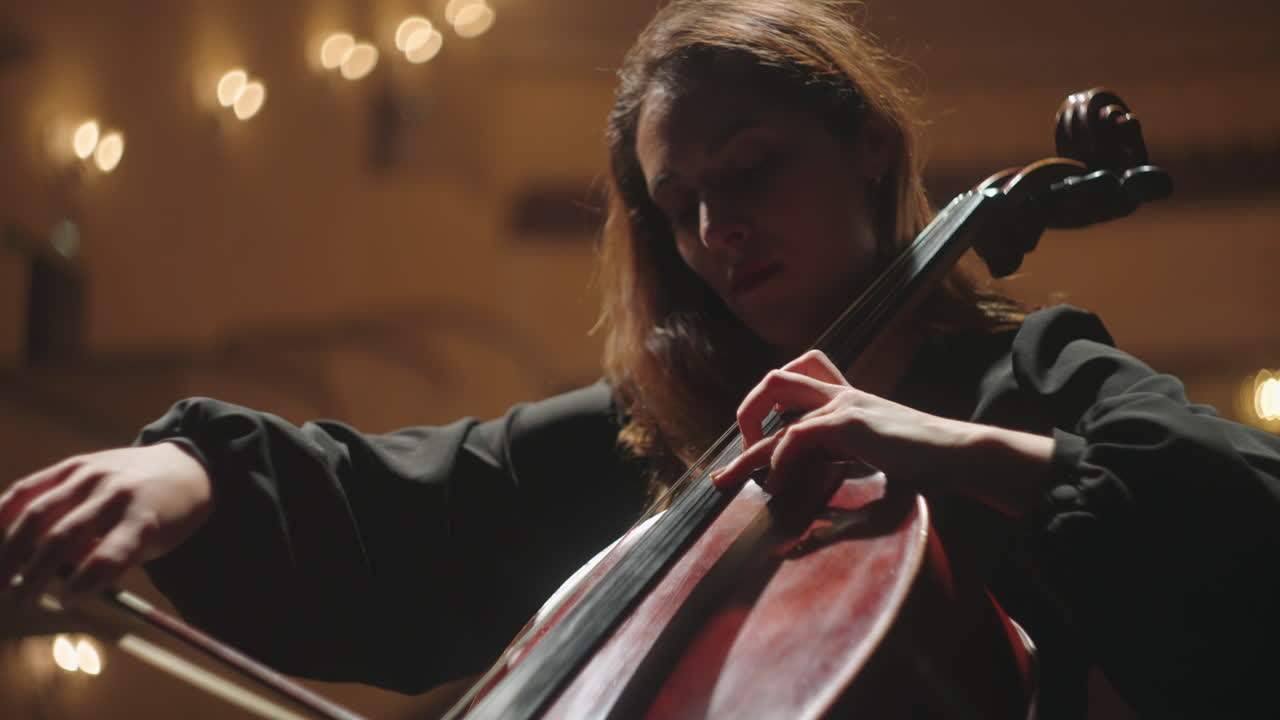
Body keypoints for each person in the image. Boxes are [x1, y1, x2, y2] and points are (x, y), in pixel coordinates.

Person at [3, 0, 1279, 717]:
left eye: (750, 170)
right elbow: (417, 501)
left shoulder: (1024, 373)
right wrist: (194, 475)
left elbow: (1236, 510)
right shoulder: (687, 440)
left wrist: (925, 440)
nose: (716, 229)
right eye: (679, 203)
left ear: (871, 157)